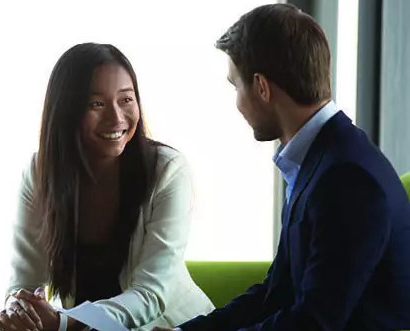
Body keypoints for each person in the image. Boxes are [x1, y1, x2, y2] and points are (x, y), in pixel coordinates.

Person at [155, 3, 410, 331]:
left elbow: (315, 322)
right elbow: (276, 293)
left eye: (235, 86)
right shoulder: (320, 161)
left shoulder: (346, 178)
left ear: (261, 87)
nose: (236, 104)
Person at [0, 43, 214, 331]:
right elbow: (24, 283)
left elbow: (151, 296)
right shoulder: (39, 173)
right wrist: (18, 311)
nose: (116, 118)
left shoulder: (168, 171)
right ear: (66, 110)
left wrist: (63, 321)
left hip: (173, 327)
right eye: (96, 104)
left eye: (126, 100)